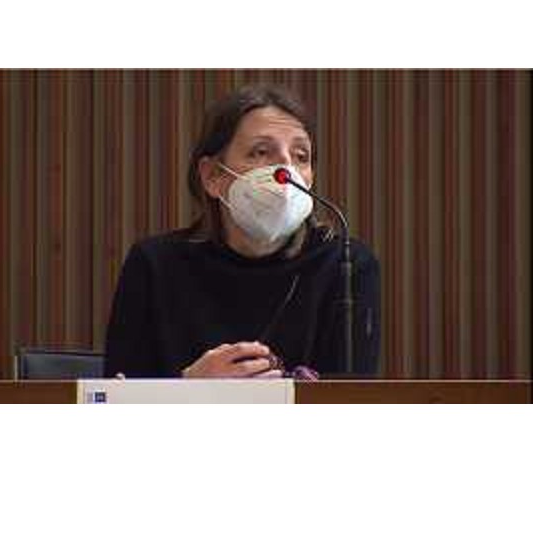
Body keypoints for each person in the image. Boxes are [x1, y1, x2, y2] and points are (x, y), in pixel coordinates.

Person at [104, 84, 380, 379]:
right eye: (261, 152)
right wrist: (189, 389)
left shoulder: (345, 264)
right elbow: (115, 395)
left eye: (301, 156)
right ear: (213, 176)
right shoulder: (154, 264)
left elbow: (351, 395)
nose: (286, 169)